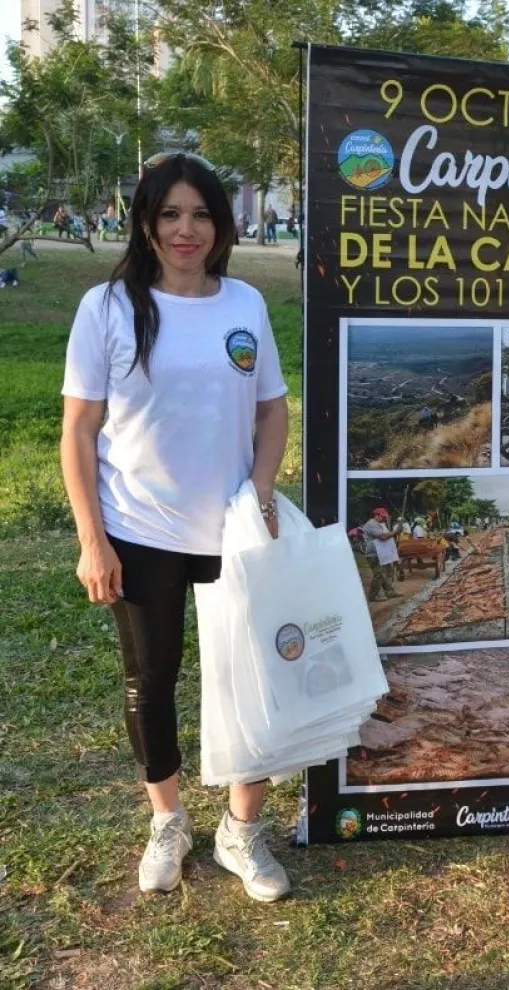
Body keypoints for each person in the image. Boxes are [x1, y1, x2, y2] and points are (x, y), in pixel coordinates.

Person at [60, 152, 293, 902]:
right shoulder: (106, 307)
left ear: (221, 225)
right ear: (146, 223)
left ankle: (241, 830)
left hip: (233, 529)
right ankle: (168, 821)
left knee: (253, 680)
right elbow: (78, 430)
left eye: (200, 214)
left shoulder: (245, 305)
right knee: (151, 679)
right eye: (170, 214)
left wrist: (262, 491)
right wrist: (92, 539)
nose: (185, 229)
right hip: (139, 528)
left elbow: (272, 409)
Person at [362, 507, 400, 600]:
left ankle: (389, 591)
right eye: (382, 517)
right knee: (378, 574)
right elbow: (383, 537)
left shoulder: (379, 524)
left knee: (384, 573)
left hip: (380, 552)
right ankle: (372, 596)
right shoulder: (371, 524)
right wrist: (395, 532)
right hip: (373, 554)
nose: (384, 518)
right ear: (376, 515)